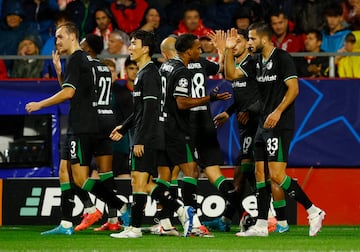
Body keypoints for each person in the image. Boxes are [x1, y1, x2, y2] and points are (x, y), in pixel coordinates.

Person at [25, 22, 126, 235]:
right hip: (102, 123)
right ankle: (111, 217)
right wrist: (61, 74)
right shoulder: (96, 64)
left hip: (83, 126)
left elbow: (69, 94)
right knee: (103, 174)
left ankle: (117, 206)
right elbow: (80, 92)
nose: (57, 41)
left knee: (77, 177)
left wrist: (40, 104)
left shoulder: (76, 59)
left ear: (73, 37)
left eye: (60, 37)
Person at [237, 21, 325, 237]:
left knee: (276, 175)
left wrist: (277, 112)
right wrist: (229, 51)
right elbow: (231, 75)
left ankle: (314, 211)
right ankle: (260, 224)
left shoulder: (282, 58)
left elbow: (294, 90)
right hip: (262, 124)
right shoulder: (255, 61)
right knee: (260, 173)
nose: (249, 42)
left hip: (279, 124)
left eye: (252, 38)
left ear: (265, 39)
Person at [109, 30, 195, 238]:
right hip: (145, 133)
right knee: (140, 183)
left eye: (134, 43)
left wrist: (139, 139)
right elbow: (139, 111)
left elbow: (151, 110)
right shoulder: (144, 72)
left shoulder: (149, 74)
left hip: (148, 136)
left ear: (145, 48)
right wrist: (124, 127)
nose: (130, 48)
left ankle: (140, 227)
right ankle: (178, 211)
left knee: (140, 181)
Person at [157, 33, 231, 237]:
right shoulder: (181, 70)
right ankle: (193, 223)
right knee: (190, 172)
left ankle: (164, 221)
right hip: (181, 128)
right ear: (187, 50)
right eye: (198, 48)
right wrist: (210, 98)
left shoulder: (164, 67)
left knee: (167, 176)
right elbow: (181, 102)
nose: (200, 51)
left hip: (165, 125)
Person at [209, 28, 259, 232]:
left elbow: (230, 76)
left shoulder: (252, 64)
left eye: (237, 41)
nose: (234, 45)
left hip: (258, 124)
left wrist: (225, 51)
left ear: (248, 43)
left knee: (255, 171)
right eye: (233, 42)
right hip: (244, 123)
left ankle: (269, 216)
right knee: (240, 174)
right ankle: (226, 219)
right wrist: (229, 113)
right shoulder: (240, 64)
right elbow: (242, 94)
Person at [105, 57, 136, 179]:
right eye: (106, 71)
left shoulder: (121, 92)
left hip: (119, 142)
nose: (109, 74)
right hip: (102, 140)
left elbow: (130, 117)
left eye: (112, 71)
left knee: (123, 175)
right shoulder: (94, 91)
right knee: (98, 174)